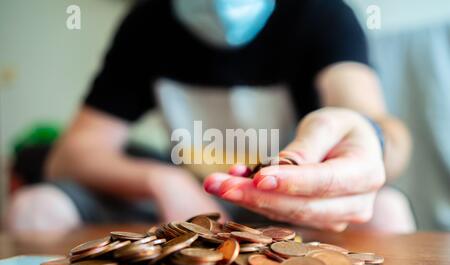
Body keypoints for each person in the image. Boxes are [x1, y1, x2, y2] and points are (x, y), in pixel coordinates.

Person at [5, 0, 415, 233]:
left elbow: (384, 130)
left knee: (388, 210)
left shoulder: (322, 14)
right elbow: (70, 155)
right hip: (183, 198)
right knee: (34, 206)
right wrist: (159, 180)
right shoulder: (146, 24)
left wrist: (367, 137)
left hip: (286, 204)